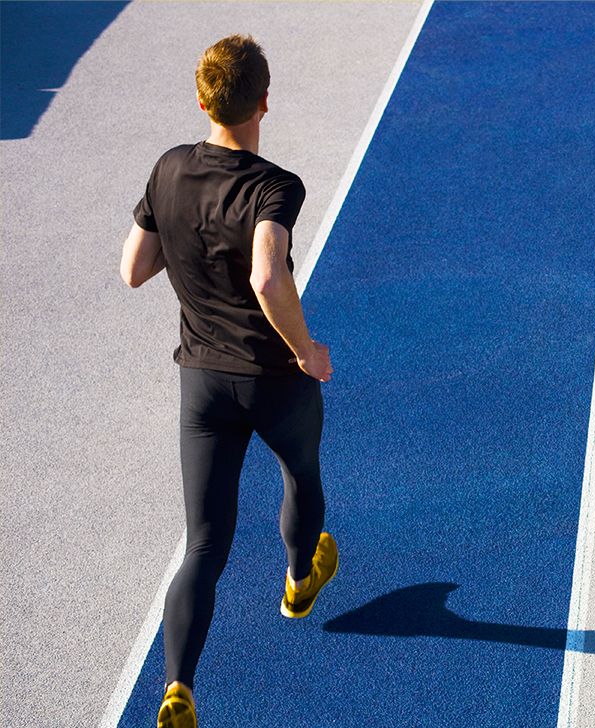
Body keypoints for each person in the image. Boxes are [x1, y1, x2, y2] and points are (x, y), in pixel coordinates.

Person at [119, 34, 339, 728]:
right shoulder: (275, 186)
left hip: (203, 387)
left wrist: (188, 242)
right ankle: (300, 582)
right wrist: (306, 351)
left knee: (205, 545)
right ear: (264, 102)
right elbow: (268, 275)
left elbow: (134, 268)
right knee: (301, 476)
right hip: (274, 381)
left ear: (202, 98)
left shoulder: (167, 170)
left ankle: (178, 688)